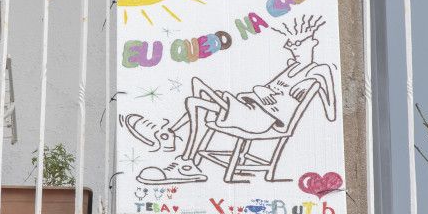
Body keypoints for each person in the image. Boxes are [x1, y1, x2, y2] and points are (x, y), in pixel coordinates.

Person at [121, 15, 337, 184]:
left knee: (198, 95)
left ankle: (180, 152)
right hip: (251, 108)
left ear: (312, 42)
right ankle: (177, 147)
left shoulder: (319, 70)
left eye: (296, 44)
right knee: (196, 95)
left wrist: (311, 86)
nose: (290, 48)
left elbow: (331, 111)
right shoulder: (291, 68)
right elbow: (264, 90)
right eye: (289, 44)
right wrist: (262, 93)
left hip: (261, 120)